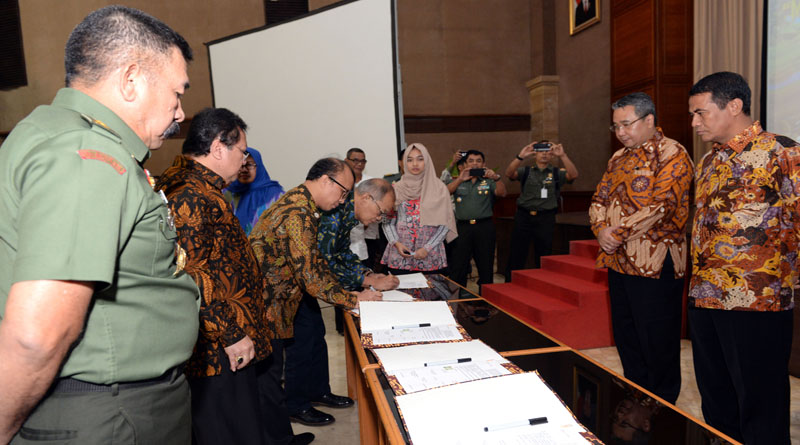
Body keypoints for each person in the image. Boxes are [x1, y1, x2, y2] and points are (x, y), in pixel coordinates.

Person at [0, 6, 199, 444]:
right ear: (131, 81)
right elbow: (38, 335)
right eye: (176, 93)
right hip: (111, 413)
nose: (180, 112)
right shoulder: (87, 155)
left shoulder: (47, 132)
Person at [156, 108, 311, 445]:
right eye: (242, 151)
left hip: (228, 341)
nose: (244, 161)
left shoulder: (203, 187)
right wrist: (230, 334)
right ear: (217, 148)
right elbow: (192, 274)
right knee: (229, 431)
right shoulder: (189, 193)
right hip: (217, 349)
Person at [687, 71, 800, 444]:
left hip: (757, 301)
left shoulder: (782, 152)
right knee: (717, 402)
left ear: (734, 106)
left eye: (701, 113)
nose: (694, 122)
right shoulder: (708, 162)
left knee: (760, 405)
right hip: (705, 296)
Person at [249, 158, 382, 427]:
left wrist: (350, 292)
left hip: (285, 295)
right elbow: (310, 276)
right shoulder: (298, 213)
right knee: (271, 374)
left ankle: (307, 401)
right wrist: (352, 299)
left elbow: (316, 262)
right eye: (343, 192)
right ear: (325, 180)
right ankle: (282, 428)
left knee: (310, 339)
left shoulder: (305, 206)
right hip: (269, 301)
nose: (343, 201)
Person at [589, 92, 693, 404]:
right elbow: (599, 198)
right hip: (619, 261)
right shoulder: (618, 158)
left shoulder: (672, 153)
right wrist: (600, 230)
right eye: (616, 126)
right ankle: (635, 397)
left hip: (656, 264)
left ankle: (662, 407)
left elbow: (662, 206)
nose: (620, 132)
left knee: (657, 340)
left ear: (649, 120)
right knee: (627, 336)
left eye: (627, 124)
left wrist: (617, 233)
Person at [283, 178, 400, 426]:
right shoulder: (334, 214)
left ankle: (317, 391)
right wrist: (356, 289)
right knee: (302, 343)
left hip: (307, 284)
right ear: (366, 198)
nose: (379, 219)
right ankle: (296, 405)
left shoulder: (347, 215)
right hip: (291, 285)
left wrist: (367, 276)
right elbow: (324, 264)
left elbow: (342, 254)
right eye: (381, 212)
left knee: (316, 336)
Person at [504, 140, 578, 280]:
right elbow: (509, 173)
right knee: (517, 251)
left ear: (552, 155)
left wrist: (563, 156)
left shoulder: (556, 173)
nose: (544, 154)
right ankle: (510, 282)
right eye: (541, 151)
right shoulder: (526, 171)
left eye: (547, 151)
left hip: (545, 217)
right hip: (524, 216)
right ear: (535, 154)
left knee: (544, 252)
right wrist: (521, 156)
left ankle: (542, 282)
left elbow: (573, 175)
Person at [381, 143, 458, 275]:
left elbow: (445, 223)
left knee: (431, 288)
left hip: (430, 254)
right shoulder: (396, 189)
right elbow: (387, 221)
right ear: (404, 163)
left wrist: (427, 248)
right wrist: (396, 243)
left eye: (420, 159)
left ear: (427, 161)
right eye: (410, 160)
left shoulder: (439, 189)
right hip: (401, 253)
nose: (415, 164)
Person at [446, 150, 507, 293]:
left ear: (484, 164)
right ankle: (458, 297)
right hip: (463, 228)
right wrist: (460, 179)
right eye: (471, 161)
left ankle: (485, 298)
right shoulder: (459, 180)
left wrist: (496, 178)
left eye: (478, 161)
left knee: (485, 264)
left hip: (484, 227)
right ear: (465, 164)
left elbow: (502, 193)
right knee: (459, 265)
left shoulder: (489, 181)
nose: (475, 164)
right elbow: (446, 192)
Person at [226, 147, 284, 235]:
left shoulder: (276, 197)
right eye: (240, 165)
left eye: (249, 165)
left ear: (259, 166)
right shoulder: (226, 193)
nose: (244, 170)